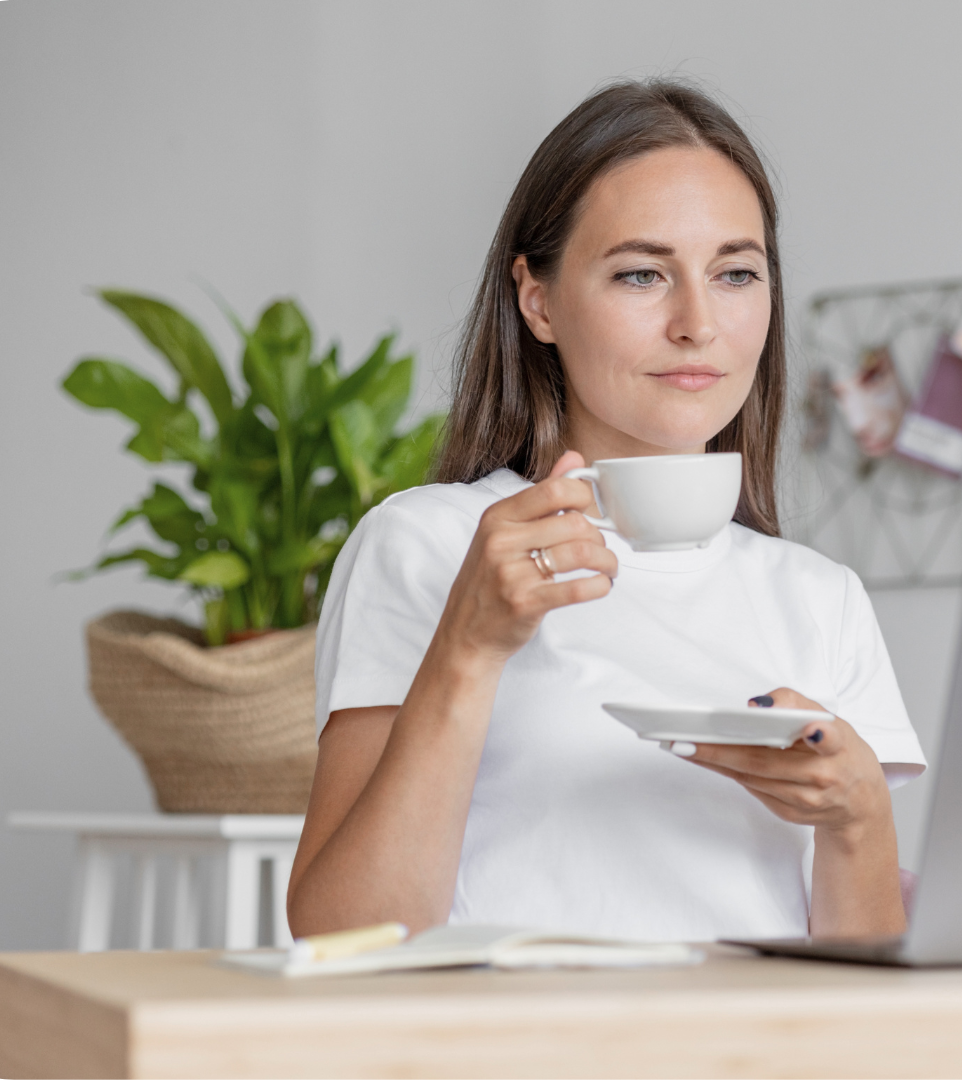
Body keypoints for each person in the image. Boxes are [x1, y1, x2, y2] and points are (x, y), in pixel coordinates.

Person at [286, 80, 924, 944]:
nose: (698, 323)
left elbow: (861, 992)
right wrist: (468, 651)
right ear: (537, 299)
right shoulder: (430, 543)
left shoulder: (819, 595)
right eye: (641, 274)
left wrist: (859, 820)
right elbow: (345, 935)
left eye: (735, 273)